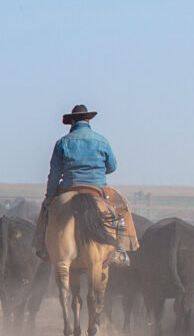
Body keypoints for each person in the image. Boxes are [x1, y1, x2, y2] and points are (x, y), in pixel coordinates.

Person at [38, 102, 135, 250]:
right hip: (97, 188)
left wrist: (49, 197)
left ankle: (43, 246)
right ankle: (121, 249)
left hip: (69, 188)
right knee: (122, 208)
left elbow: (54, 174)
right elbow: (112, 166)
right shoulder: (102, 141)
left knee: (47, 211)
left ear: (72, 122)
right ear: (88, 121)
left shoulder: (62, 142)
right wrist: (97, 172)